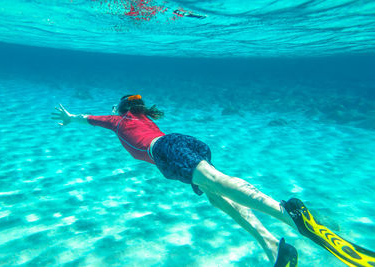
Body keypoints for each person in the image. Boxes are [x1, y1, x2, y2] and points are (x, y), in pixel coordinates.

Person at [52, 94, 375, 267]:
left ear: (121, 108)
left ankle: (287, 214)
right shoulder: (140, 115)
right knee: (215, 194)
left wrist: (72, 118)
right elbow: (118, 111)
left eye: (116, 107)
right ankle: (273, 247)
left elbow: (92, 118)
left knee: (218, 183)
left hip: (165, 149)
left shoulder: (120, 119)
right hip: (178, 145)